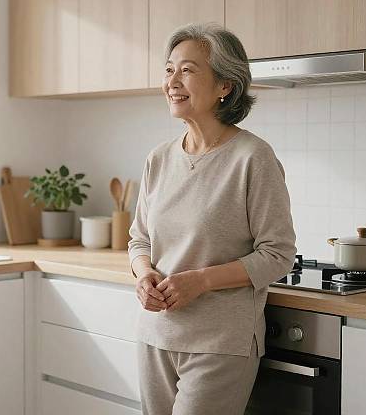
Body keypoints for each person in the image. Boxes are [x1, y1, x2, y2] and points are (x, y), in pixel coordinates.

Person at [127, 22, 297, 415]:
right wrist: (143, 275)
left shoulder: (253, 158)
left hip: (220, 341)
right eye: (169, 69)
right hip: (156, 335)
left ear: (225, 85)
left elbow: (278, 254)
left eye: (187, 70)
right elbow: (139, 240)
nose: (173, 81)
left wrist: (200, 281)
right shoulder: (159, 158)